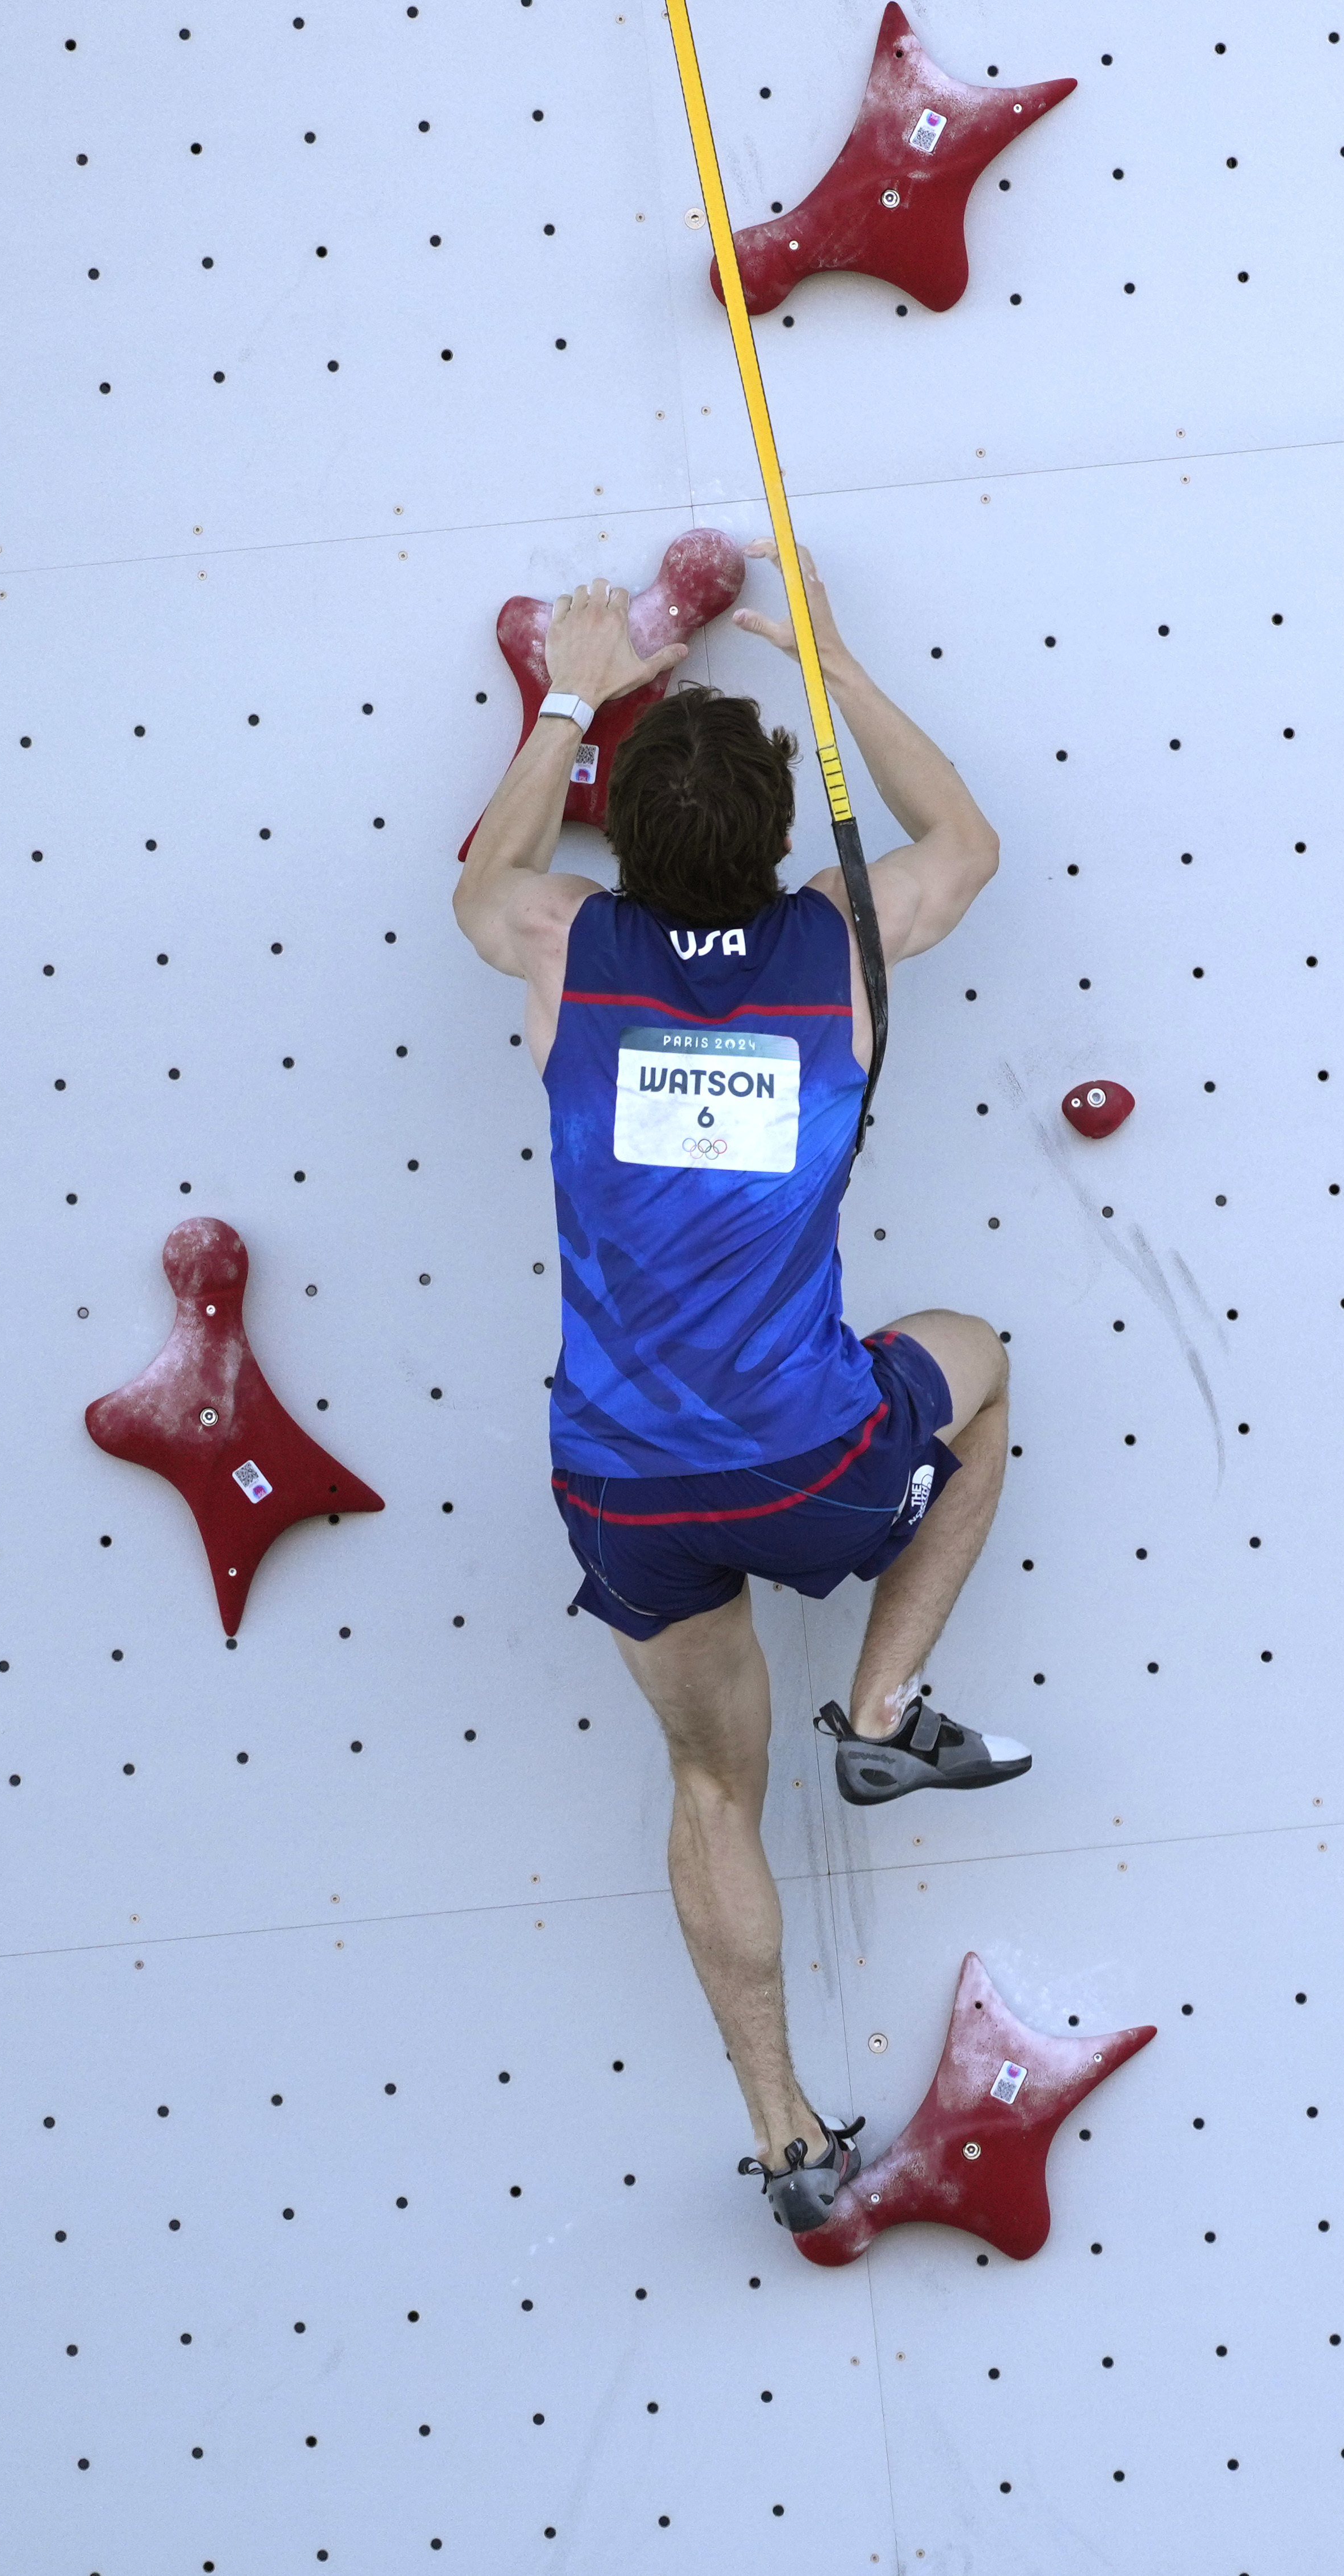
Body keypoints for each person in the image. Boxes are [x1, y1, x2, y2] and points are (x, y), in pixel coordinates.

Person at [450, 553, 1031, 2227]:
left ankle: (785, 2133)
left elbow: (477, 884)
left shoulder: (564, 936)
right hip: (810, 1452)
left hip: (629, 1484)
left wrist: (568, 693)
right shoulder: (840, 939)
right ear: (787, 828)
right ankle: (881, 1706)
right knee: (977, 1361)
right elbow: (970, 847)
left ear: (612, 832)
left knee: (711, 1785)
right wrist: (831, 657)